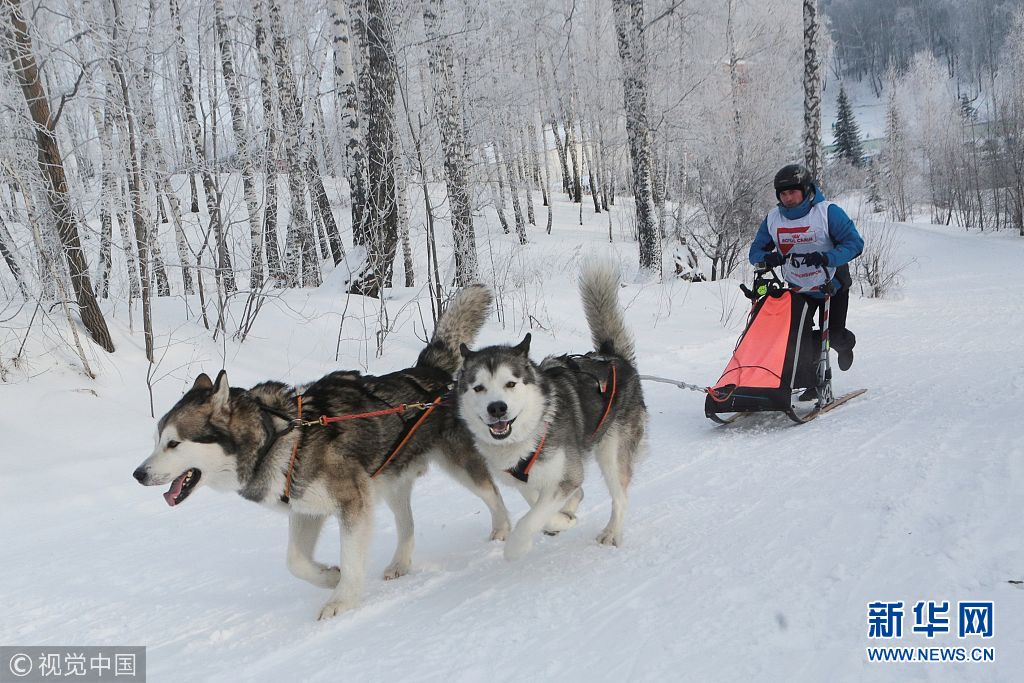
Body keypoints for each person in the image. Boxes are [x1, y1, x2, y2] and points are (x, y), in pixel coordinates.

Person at [749, 163, 864, 399]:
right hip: (798, 287)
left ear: (805, 189)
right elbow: (755, 253)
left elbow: (854, 243)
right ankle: (812, 382)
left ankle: (846, 343)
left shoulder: (827, 212)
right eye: (783, 194)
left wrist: (827, 257)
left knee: (832, 333)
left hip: (831, 285)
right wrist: (769, 258)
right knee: (797, 336)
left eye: (793, 192)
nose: (788, 198)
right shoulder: (773, 219)